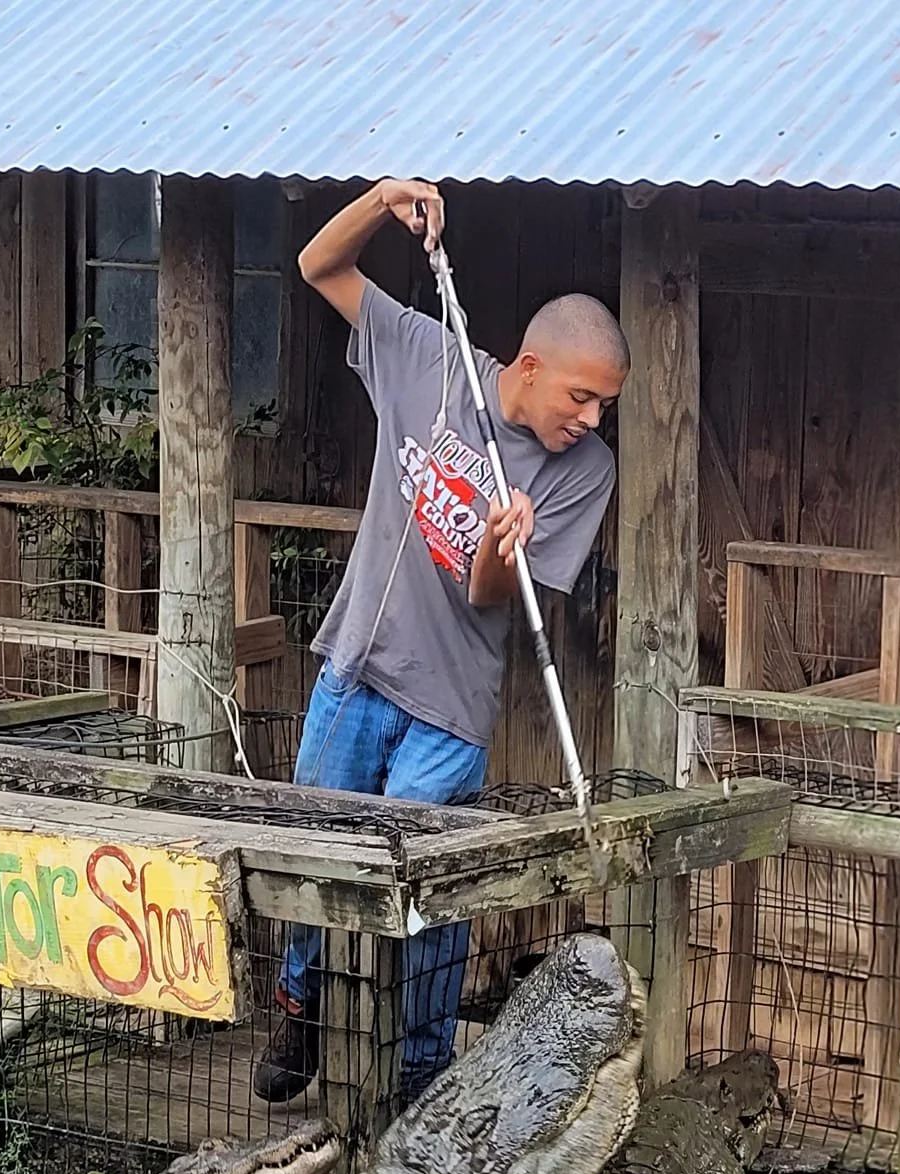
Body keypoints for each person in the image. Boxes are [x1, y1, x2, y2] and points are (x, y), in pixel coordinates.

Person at [253, 176, 630, 1107]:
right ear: (531, 367)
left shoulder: (585, 472)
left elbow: (493, 598)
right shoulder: (428, 356)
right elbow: (316, 265)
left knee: (429, 893)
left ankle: (419, 1072)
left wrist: (504, 549)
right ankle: (298, 1000)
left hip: (452, 711)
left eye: (603, 408)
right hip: (359, 662)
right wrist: (384, 203)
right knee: (315, 845)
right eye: (582, 397)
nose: (589, 420)